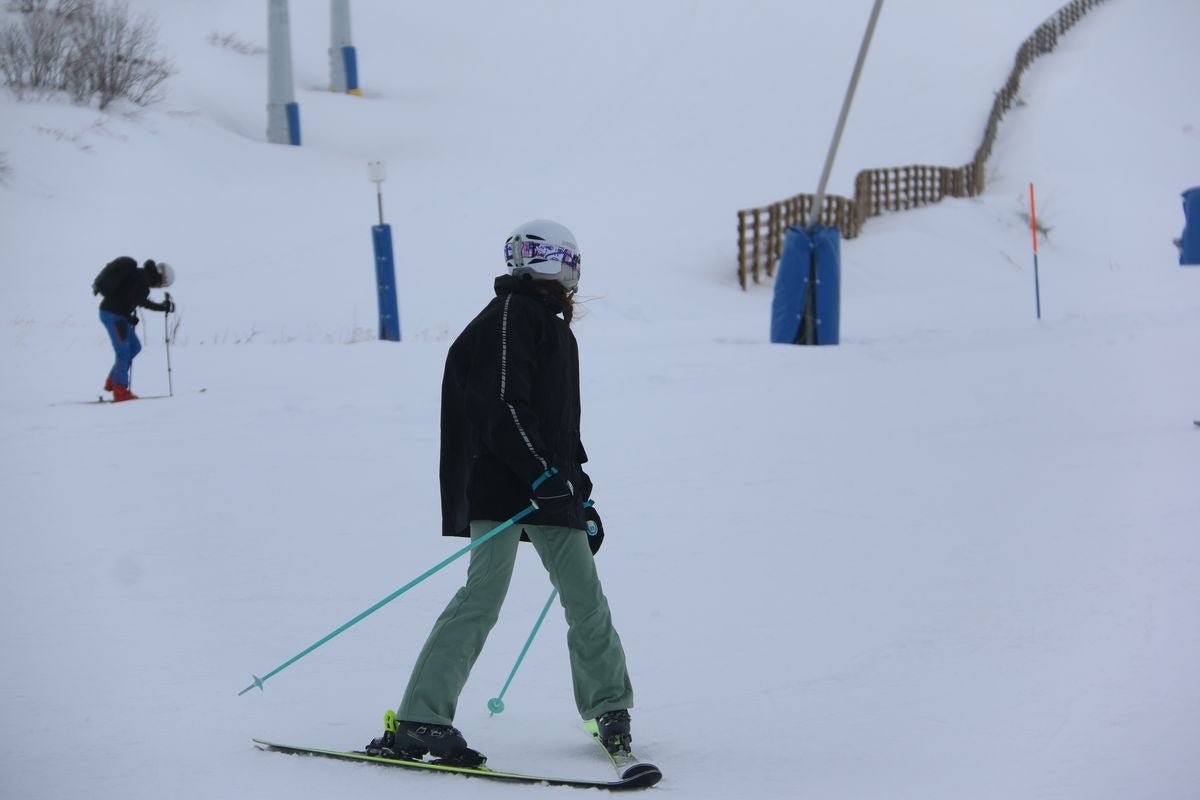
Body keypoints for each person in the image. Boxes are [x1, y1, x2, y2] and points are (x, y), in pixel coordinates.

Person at [366, 220, 635, 767]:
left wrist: (578, 496)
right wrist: (541, 475)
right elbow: (502, 406)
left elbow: (561, 431)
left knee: (586, 600)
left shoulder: (552, 329)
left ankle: (610, 708)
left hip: (548, 489)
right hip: (506, 485)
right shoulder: (511, 317)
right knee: (482, 598)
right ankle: (421, 719)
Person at [93, 257, 175, 401]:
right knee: (123, 352)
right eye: (162, 284)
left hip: (116, 314)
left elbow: (126, 297)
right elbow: (139, 300)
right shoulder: (142, 280)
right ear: (159, 278)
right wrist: (161, 307)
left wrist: (128, 317)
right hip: (113, 315)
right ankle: (120, 390)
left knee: (134, 347)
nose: (160, 287)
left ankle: (113, 380)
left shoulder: (139, 276)